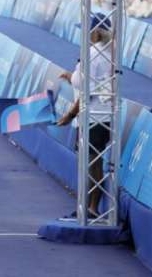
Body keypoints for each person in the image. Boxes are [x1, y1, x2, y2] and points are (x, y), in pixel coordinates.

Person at [56, 14, 114, 221]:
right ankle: (89, 207)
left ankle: (89, 208)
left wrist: (69, 115)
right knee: (93, 163)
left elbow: (87, 91)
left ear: (97, 32)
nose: (85, 34)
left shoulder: (93, 54)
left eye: (87, 30)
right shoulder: (108, 53)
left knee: (90, 164)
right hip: (103, 116)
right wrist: (70, 77)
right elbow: (90, 82)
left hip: (92, 117)